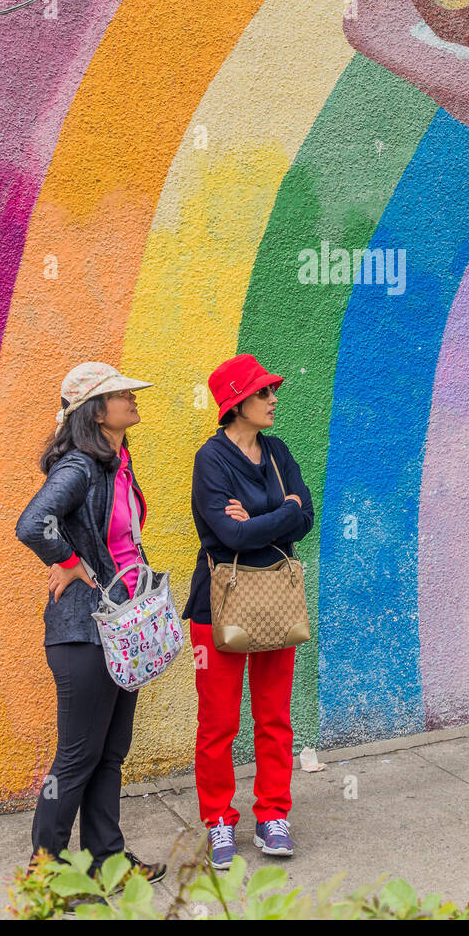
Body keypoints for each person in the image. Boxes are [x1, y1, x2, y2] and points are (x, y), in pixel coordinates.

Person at [15, 361, 167, 883]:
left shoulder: (115, 461)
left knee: (109, 752)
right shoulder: (80, 465)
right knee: (77, 757)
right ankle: (45, 874)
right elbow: (33, 524)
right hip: (84, 633)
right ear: (97, 411)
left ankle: (107, 862)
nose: (132, 398)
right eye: (122, 393)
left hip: (119, 628)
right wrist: (68, 562)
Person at [183, 353, 314, 867]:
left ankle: (272, 814)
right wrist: (281, 511)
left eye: (272, 390)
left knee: (275, 718)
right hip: (219, 604)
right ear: (236, 402)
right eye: (263, 393)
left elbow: (305, 517)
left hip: (276, 600)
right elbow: (229, 533)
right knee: (218, 724)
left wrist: (272, 514)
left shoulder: (278, 452)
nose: (273, 399)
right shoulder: (210, 460)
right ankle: (218, 820)